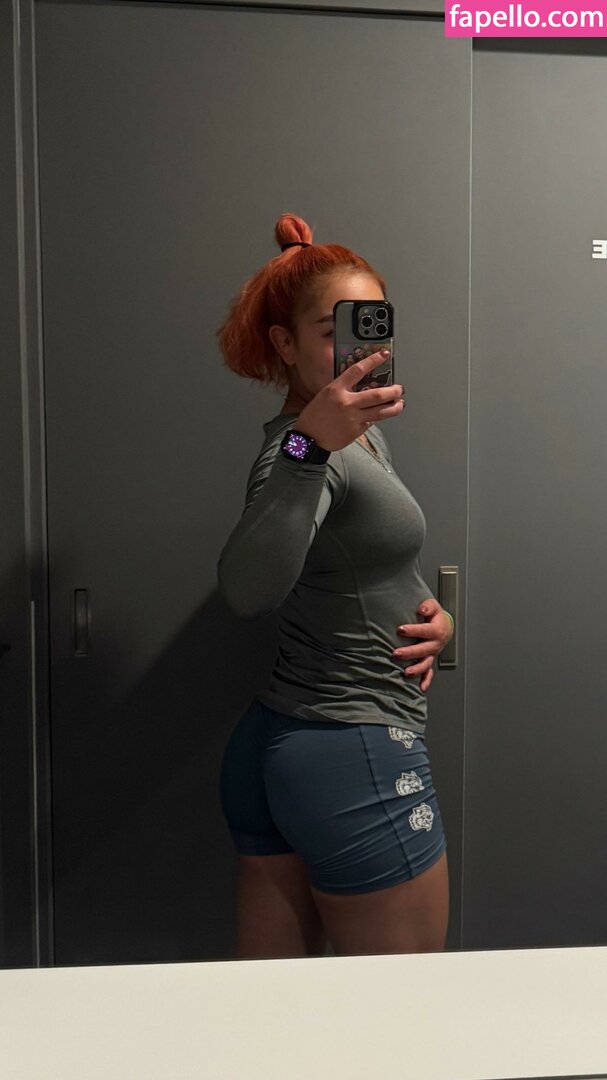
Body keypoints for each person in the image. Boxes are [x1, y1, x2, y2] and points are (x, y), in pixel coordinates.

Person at [216, 213, 454, 960]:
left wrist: (436, 618)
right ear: (284, 345)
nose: (363, 351)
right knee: (398, 1009)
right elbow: (247, 590)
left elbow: (356, 561)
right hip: (351, 751)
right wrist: (309, 443)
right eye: (333, 331)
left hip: (296, 734)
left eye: (371, 327)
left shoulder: (352, 432)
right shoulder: (301, 450)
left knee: (279, 1010)